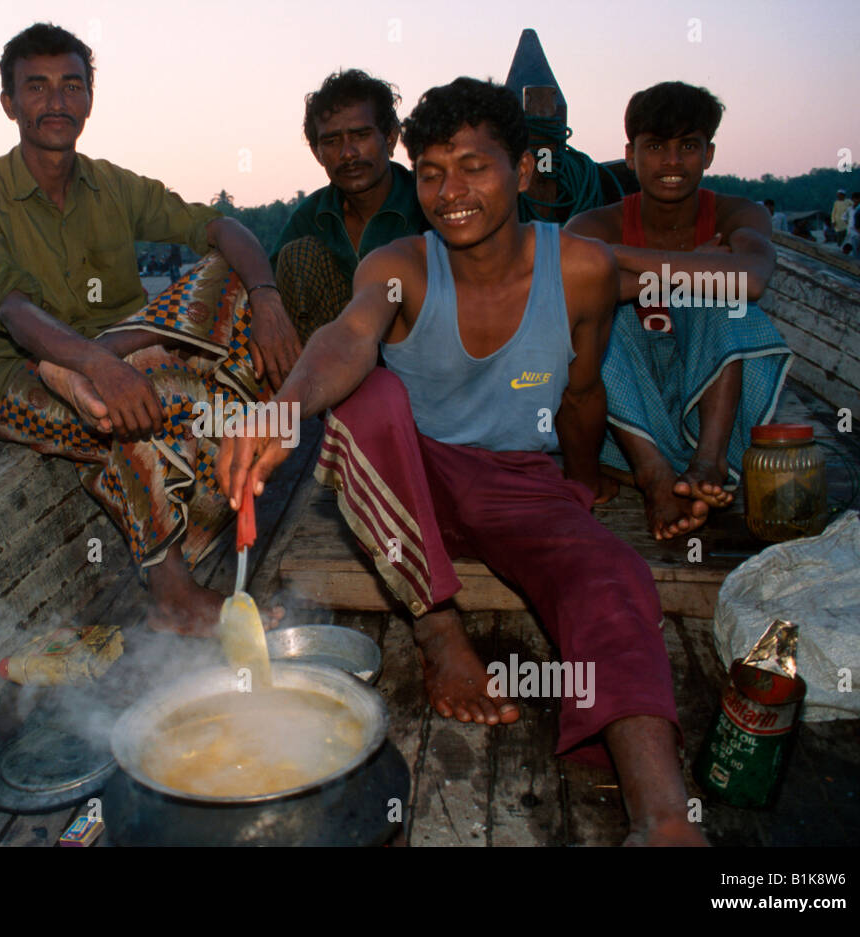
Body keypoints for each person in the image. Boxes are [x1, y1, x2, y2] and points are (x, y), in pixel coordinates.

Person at [220, 77, 703, 846]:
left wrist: (580, 483)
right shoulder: (400, 264)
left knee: (616, 578)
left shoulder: (581, 267)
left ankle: (665, 817)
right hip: (410, 485)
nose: (452, 192)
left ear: (521, 166)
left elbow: (581, 394)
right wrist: (286, 406)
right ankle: (441, 633)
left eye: (475, 167)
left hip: (519, 484)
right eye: (435, 172)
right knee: (368, 397)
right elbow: (346, 336)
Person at [0, 23, 302, 634]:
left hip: (116, 348)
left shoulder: (109, 183)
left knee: (229, 277)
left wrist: (267, 296)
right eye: (37, 87)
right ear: (9, 103)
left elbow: (219, 229)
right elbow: (13, 311)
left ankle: (206, 446)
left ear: (89, 98)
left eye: (71, 85)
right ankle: (173, 594)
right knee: (142, 397)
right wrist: (96, 366)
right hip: (12, 371)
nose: (57, 100)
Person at [566, 82, 792, 541]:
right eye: (655, 147)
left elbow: (749, 279)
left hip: (716, 408)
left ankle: (708, 460)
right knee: (594, 315)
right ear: (630, 156)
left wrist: (617, 261)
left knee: (721, 298)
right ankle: (654, 475)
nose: (671, 162)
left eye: (687, 146)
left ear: (708, 155)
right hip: (626, 421)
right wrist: (702, 264)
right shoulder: (596, 224)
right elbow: (567, 294)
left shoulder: (737, 213)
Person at [271, 69, 429, 342]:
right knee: (297, 256)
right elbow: (271, 288)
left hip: (419, 354)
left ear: (390, 138)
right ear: (317, 153)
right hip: (335, 365)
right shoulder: (313, 217)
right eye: (331, 142)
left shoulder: (425, 201)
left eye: (360, 135)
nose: (347, 153)